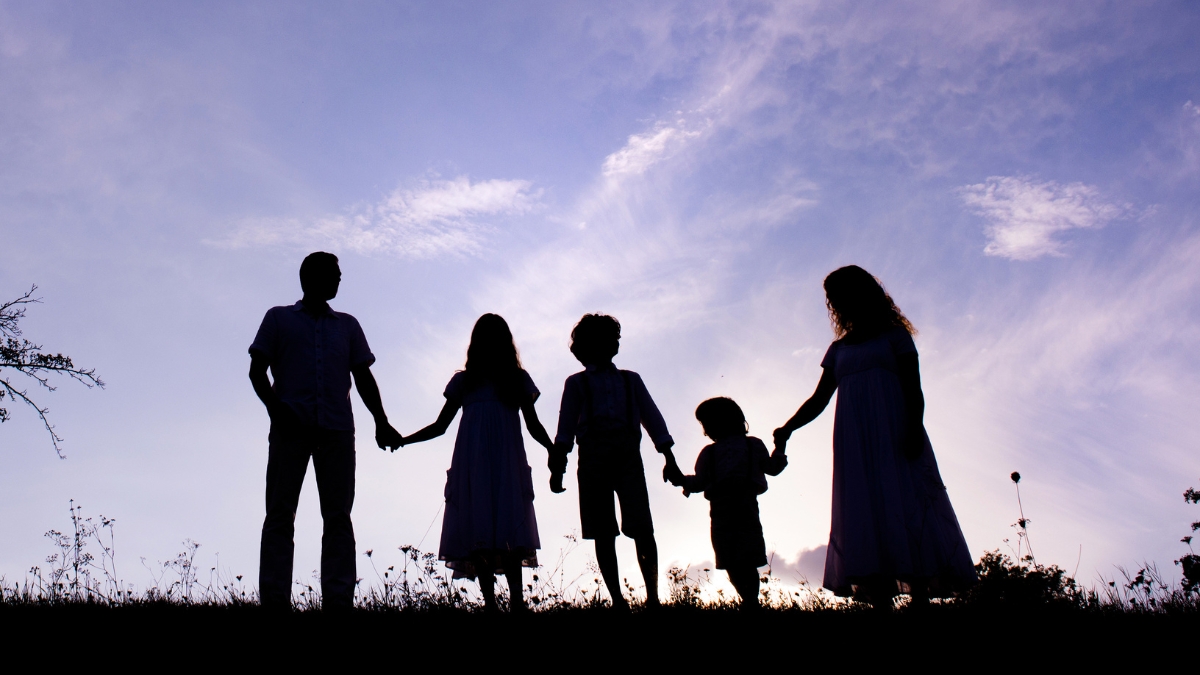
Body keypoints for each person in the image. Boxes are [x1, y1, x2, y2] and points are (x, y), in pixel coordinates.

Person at [773, 265, 976, 607]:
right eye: (832, 298)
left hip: (895, 434)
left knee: (906, 503)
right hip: (854, 442)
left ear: (863, 293)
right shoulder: (839, 350)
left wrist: (913, 429)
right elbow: (819, 399)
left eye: (840, 294)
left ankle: (920, 596)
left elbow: (914, 389)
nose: (836, 302)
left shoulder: (895, 337)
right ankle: (879, 596)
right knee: (864, 509)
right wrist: (789, 426)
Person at [249, 251, 403, 610]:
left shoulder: (347, 326)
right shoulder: (278, 318)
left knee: (337, 517)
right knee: (279, 515)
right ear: (312, 277)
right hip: (291, 430)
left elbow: (363, 377)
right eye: (334, 274)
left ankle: (338, 601)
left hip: (336, 431)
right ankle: (274, 601)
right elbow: (257, 371)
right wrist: (276, 410)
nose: (339, 279)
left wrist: (381, 421)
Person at [399, 314, 554, 613]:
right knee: (481, 524)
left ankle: (518, 603)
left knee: (509, 523)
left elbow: (533, 424)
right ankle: (491, 604)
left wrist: (552, 448)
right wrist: (405, 440)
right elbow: (439, 425)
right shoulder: (463, 382)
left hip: (506, 461)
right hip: (474, 463)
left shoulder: (516, 381)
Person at [551, 313, 677, 610]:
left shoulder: (630, 380)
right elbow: (565, 429)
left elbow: (653, 419)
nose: (612, 344)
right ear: (584, 347)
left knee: (642, 526)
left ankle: (653, 597)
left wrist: (668, 457)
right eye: (605, 339)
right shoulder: (576, 384)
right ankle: (618, 600)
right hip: (592, 456)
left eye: (614, 339)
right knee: (603, 531)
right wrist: (559, 468)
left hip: (628, 454)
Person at [665, 397, 787, 610]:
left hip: (738, 507)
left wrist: (780, 445)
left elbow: (698, 482)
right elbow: (699, 481)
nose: (707, 429)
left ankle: (750, 601)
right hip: (729, 509)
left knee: (741, 558)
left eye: (708, 423)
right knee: (733, 558)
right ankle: (749, 600)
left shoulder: (743, 447)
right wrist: (682, 480)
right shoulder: (720, 451)